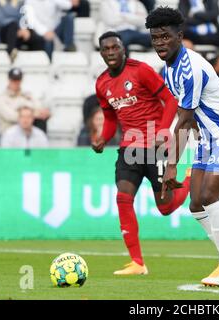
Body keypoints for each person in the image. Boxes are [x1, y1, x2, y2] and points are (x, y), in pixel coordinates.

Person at [146, 7, 219, 288]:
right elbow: (190, 117)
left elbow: (183, 120)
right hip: (209, 139)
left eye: (165, 37)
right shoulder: (168, 70)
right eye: (155, 38)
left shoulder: (190, 68)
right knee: (196, 203)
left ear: (179, 36)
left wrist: (171, 166)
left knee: (209, 195)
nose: (160, 43)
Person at [92, 31, 191, 275]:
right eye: (106, 49)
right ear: (101, 53)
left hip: (155, 147)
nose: (111, 52)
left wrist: (162, 131)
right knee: (123, 197)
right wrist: (103, 138)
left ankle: (189, 177)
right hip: (129, 149)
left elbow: (170, 100)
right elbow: (109, 119)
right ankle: (137, 262)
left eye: (115, 47)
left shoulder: (141, 71)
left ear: (123, 49)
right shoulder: (102, 83)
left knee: (165, 208)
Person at [0, 68, 51, 134]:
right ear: (9, 80)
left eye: (18, 80)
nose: (16, 83)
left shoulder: (27, 95)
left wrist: (42, 113)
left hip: (26, 131)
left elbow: (39, 107)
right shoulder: (1, 98)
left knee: (41, 121)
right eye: (14, 80)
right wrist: (33, 114)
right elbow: (11, 116)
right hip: (10, 133)